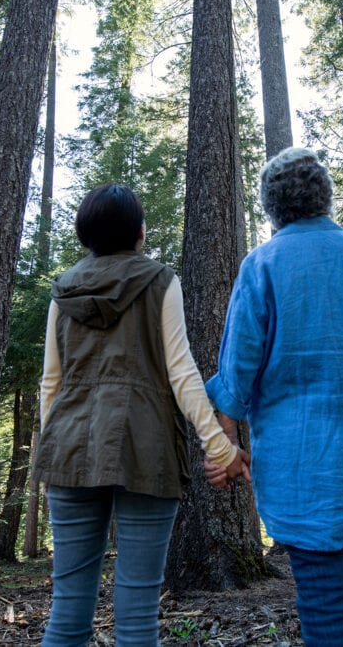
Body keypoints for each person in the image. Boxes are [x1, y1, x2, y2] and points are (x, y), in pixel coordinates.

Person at [204, 147, 343, 646]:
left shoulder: (263, 264)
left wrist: (224, 446)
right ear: (325, 198)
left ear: (271, 207)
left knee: (324, 602)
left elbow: (237, 371)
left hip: (302, 468)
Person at [33, 183, 250, 647]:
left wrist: (48, 459)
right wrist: (221, 447)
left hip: (69, 446)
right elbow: (182, 372)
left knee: (67, 612)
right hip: (146, 448)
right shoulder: (159, 280)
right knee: (137, 615)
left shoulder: (62, 290)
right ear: (138, 231)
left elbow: (51, 383)